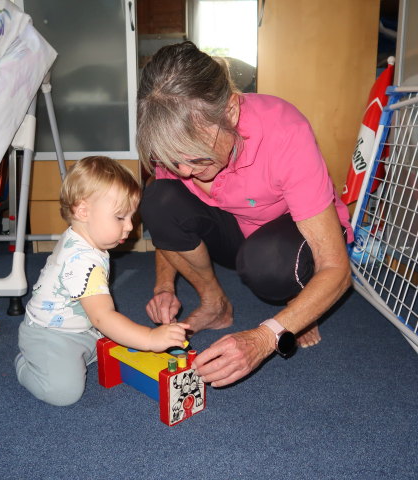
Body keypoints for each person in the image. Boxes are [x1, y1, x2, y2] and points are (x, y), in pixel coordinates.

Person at [136, 41, 353, 388]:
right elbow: (168, 220)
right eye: (173, 158)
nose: (183, 170)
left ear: (231, 111)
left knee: (267, 263)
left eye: (196, 157)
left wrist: (267, 337)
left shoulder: (284, 131)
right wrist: (163, 286)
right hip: (236, 229)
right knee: (157, 199)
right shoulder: (175, 143)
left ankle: (299, 298)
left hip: (291, 235)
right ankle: (216, 304)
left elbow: (337, 269)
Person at [14, 156, 189, 406]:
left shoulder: (84, 237)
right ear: (83, 211)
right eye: (120, 217)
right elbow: (103, 317)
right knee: (64, 393)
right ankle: (26, 364)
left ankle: (82, 351)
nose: (130, 226)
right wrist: (150, 338)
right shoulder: (81, 260)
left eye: (131, 216)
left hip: (81, 327)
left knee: (121, 346)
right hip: (48, 335)